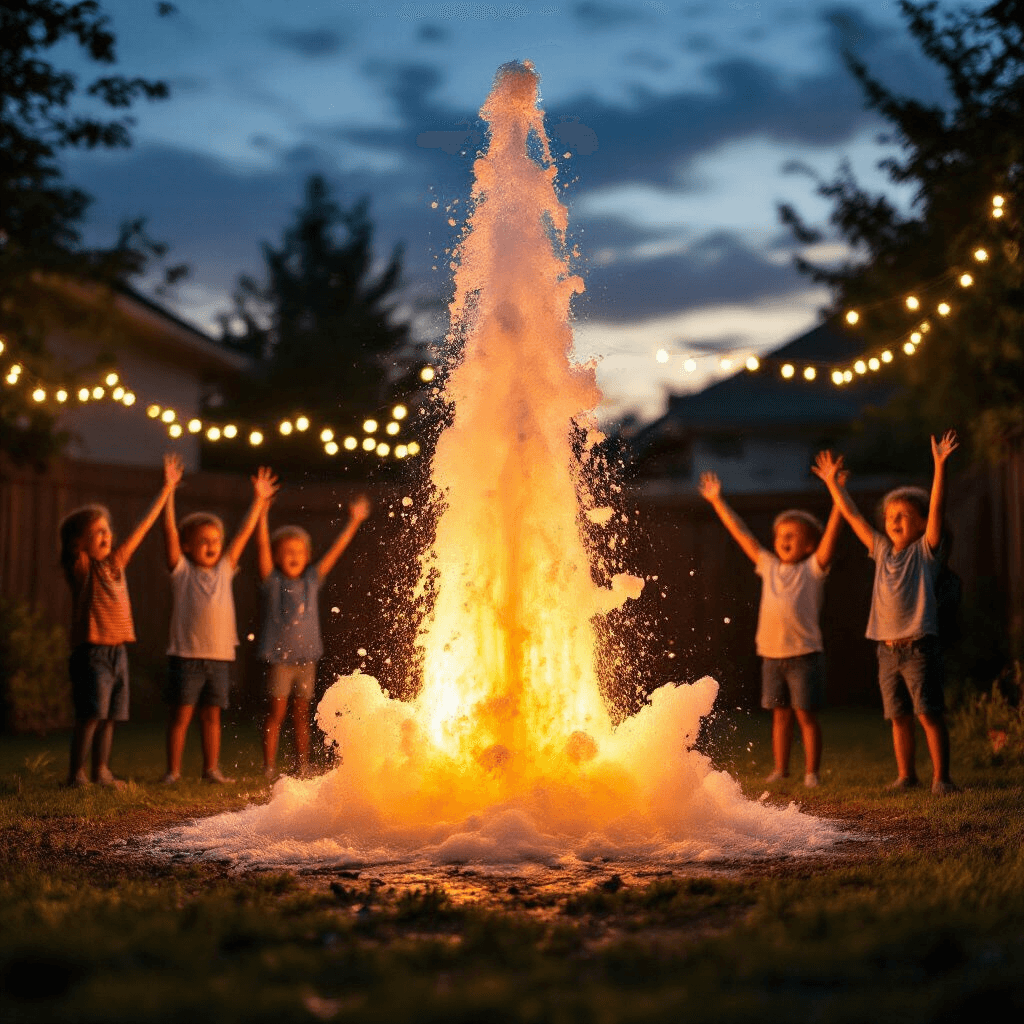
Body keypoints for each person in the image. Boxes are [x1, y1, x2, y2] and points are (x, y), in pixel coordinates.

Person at [812, 431, 959, 795]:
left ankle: (942, 779)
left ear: (922, 524)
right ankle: (907, 776)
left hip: (918, 647)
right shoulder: (880, 549)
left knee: (928, 713)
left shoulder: (925, 552)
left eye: (905, 515)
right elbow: (852, 515)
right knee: (898, 717)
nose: (895, 520)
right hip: (885, 649)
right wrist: (833, 484)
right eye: (891, 515)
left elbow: (937, 507)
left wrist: (939, 466)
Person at [699, 470, 845, 787]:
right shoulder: (769, 566)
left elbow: (832, 536)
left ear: (809, 545)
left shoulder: (813, 568)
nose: (784, 539)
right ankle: (781, 769)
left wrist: (837, 497)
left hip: (804, 655)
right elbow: (743, 535)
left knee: (805, 716)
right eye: (781, 535)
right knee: (779, 716)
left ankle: (812, 773)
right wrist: (717, 501)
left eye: (793, 535)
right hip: (771, 656)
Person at [59, 454, 183, 787]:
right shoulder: (84, 571)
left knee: (111, 716)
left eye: (106, 530)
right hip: (93, 653)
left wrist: (167, 489)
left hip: (118, 653)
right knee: (91, 715)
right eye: (96, 533)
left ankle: (101, 771)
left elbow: (143, 527)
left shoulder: (116, 563)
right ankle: (76, 774)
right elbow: (74, 552)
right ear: (79, 544)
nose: (106, 536)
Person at [161, 466, 278, 784]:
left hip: (220, 657)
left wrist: (258, 500)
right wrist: (169, 491)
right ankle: (173, 772)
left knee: (212, 715)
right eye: (203, 541)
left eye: (215, 540)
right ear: (187, 546)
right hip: (187, 656)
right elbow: (170, 533)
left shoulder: (225, 569)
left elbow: (242, 535)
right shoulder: (182, 572)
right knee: (181, 716)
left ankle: (211, 770)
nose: (212, 546)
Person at [256, 494, 371, 778]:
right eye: (286, 551)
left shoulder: (311, 580)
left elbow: (336, 551)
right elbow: (260, 546)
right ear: (276, 556)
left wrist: (354, 522)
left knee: (301, 715)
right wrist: (261, 511)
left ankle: (302, 765)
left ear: (307, 556)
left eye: (299, 551)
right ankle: (269, 766)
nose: (293, 556)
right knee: (276, 714)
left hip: (307, 659)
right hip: (280, 660)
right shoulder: (273, 583)